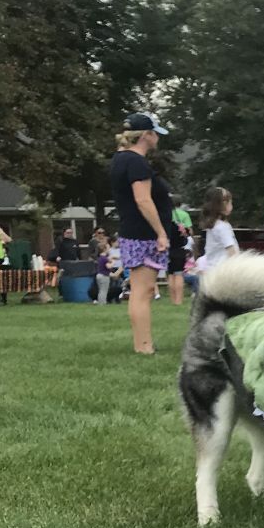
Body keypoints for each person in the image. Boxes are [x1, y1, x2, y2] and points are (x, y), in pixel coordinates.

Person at [109, 113, 174, 354]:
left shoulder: (120, 159)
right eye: (155, 133)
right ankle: (144, 345)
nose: (157, 138)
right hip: (143, 234)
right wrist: (161, 233)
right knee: (143, 291)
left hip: (132, 232)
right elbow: (143, 200)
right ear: (145, 135)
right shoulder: (136, 162)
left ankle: (142, 343)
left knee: (141, 290)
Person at [200, 188, 238, 274]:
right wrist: (238, 267)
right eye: (230, 202)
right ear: (222, 205)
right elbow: (231, 250)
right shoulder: (222, 227)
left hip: (212, 270)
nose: (231, 205)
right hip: (223, 272)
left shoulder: (214, 225)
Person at [91, 233, 114, 305]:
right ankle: (102, 303)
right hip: (104, 276)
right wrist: (113, 263)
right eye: (108, 248)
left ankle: (100, 302)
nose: (109, 249)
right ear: (104, 249)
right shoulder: (105, 258)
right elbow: (108, 267)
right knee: (104, 290)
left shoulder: (100, 258)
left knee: (101, 290)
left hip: (99, 275)